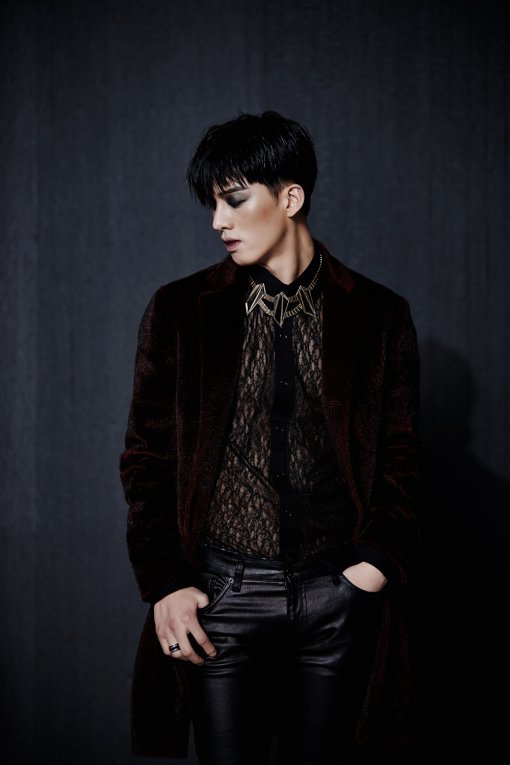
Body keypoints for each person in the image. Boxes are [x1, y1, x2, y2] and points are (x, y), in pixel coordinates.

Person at [119, 110, 422, 765]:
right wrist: (167, 582)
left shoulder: (378, 315)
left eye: (233, 200)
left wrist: (369, 571)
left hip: (336, 594)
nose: (217, 222)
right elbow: (147, 457)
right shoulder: (181, 311)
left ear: (290, 198)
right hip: (222, 597)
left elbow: (403, 456)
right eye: (212, 204)